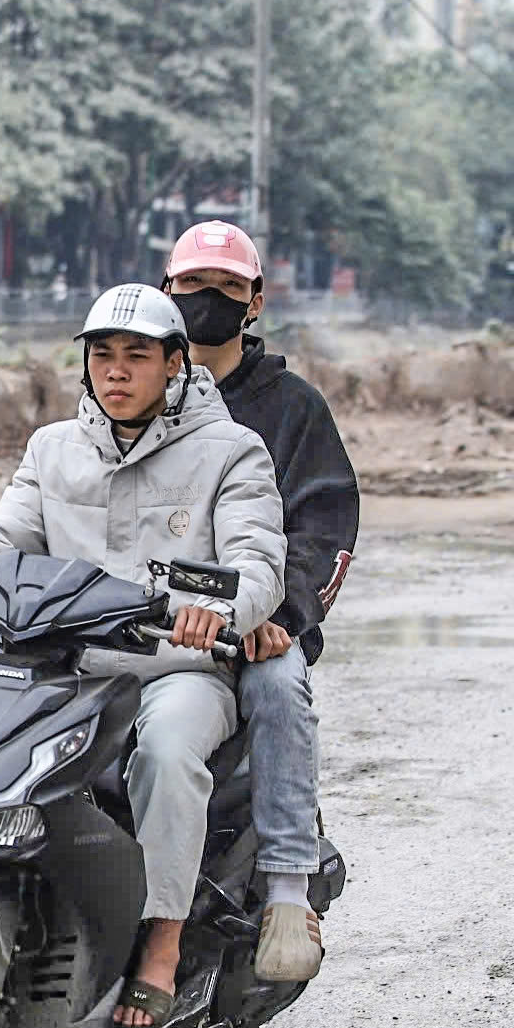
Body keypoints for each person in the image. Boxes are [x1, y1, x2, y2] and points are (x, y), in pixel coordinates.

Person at [0, 285, 284, 1028]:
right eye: (102, 356)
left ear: (175, 366)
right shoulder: (54, 449)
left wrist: (223, 609)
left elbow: (259, 561)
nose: (116, 372)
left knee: (168, 753)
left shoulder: (231, 450)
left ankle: (162, 943)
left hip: (175, 668)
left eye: (136, 356)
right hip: (66, 662)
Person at [161, 221, 360, 984]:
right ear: (166, 288)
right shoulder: (145, 388)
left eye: (226, 289)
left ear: (254, 301)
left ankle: (284, 888)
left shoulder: (292, 409)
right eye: (192, 287)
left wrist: (284, 619)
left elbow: (326, 528)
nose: (207, 301)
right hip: (149, 613)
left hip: (252, 626)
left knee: (278, 689)